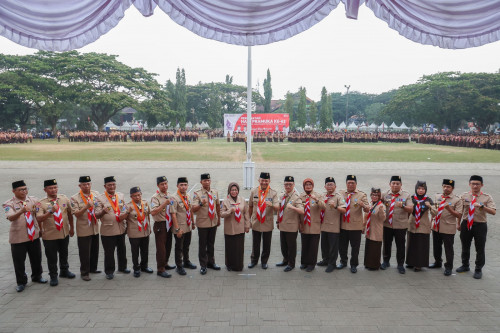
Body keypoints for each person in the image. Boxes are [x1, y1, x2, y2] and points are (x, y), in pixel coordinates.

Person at [3, 180, 47, 292]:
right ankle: (21, 282)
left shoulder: (33, 200)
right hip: (18, 237)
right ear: (14, 191)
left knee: (36, 257)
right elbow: (11, 217)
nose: (24, 191)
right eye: (21, 189)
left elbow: (38, 214)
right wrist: (21, 211)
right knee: (19, 261)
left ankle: (37, 276)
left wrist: (41, 229)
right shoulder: (9, 204)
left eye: (25, 189)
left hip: (33, 235)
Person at [36, 179, 75, 286]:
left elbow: (70, 214)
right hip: (50, 235)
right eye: (50, 188)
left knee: (64, 253)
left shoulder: (64, 198)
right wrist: (50, 211)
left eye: (55, 187)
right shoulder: (41, 203)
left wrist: (72, 228)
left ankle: (64, 271)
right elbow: (39, 219)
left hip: (64, 232)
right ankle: (53, 275)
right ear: (45, 189)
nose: (53, 190)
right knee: (52, 257)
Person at [457, 175, 496, 279]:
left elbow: (493, 212)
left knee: (480, 248)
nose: (475, 186)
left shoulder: (487, 197)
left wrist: (482, 206)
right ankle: (465, 265)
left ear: (481, 185)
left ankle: (478, 269)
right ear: (469, 184)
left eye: (477, 184)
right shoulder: (464, 196)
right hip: (466, 223)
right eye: (473, 184)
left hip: (480, 225)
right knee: (465, 246)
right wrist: (458, 223)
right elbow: (460, 211)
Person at [95, 176, 130, 280]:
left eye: (113, 184)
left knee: (122, 249)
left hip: (120, 227)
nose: (112, 187)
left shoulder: (121, 196)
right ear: (105, 186)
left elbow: (124, 209)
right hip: (108, 230)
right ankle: (109, 271)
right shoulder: (99, 199)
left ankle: (123, 267)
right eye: (109, 185)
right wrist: (102, 211)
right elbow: (96, 215)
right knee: (109, 252)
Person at [429, 179, 463, 276]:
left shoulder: (457, 200)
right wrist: (431, 221)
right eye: (444, 186)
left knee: (448, 248)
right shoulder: (437, 196)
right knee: (436, 246)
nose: (446, 188)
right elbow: (434, 210)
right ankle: (437, 262)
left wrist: (449, 209)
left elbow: (458, 215)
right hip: (436, 225)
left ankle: (448, 267)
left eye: (448, 187)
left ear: (453, 188)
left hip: (448, 227)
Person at [70, 176, 100, 281]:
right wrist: (86, 207)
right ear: (80, 185)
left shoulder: (96, 194)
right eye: (84, 184)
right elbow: (76, 214)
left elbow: (98, 207)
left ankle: (93, 268)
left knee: (95, 249)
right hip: (84, 228)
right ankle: (84, 272)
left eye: (88, 184)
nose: (87, 186)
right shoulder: (75, 198)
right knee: (84, 252)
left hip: (95, 226)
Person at [381, 176, 413, 274]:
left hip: (400, 225)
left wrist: (403, 206)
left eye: (397, 183)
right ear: (389, 184)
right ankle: (386, 261)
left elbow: (411, 209)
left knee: (400, 245)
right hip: (387, 224)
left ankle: (400, 264)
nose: (395, 185)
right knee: (386, 244)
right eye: (393, 183)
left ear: (401, 185)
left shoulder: (406, 195)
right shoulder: (384, 194)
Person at [338, 175, 369, 273]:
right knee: (342, 246)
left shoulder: (361, 195)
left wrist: (363, 205)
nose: (350, 185)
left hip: (355, 226)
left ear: (356, 184)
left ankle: (354, 264)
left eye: (353, 183)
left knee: (355, 247)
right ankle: (343, 262)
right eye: (349, 183)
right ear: (346, 184)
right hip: (343, 224)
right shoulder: (341, 193)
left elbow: (368, 209)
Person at [192, 173, 221, 275]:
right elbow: (193, 208)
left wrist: (218, 218)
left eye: (208, 180)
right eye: (205, 181)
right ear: (201, 182)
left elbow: (217, 205)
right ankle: (203, 265)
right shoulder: (197, 193)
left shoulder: (215, 192)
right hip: (203, 223)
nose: (207, 182)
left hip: (213, 222)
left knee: (211, 244)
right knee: (202, 245)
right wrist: (201, 204)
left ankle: (211, 262)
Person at [248, 172, 279, 269]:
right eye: (262, 180)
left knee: (266, 244)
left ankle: (264, 261)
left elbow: (277, 207)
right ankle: (254, 261)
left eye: (266, 181)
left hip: (267, 222)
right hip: (256, 221)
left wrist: (272, 205)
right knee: (255, 243)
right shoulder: (254, 191)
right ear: (259, 180)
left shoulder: (273, 193)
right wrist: (249, 220)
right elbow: (250, 206)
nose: (264, 182)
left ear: (269, 181)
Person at [317, 177, 346, 273]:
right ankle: (325, 260)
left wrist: (336, 206)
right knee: (324, 245)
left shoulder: (338, 196)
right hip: (324, 224)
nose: (329, 186)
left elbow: (344, 210)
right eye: (328, 184)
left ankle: (332, 264)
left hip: (333, 225)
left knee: (333, 246)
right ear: (325, 186)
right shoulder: (322, 196)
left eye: (331, 184)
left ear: (335, 186)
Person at [150, 176, 177, 278]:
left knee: (168, 246)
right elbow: (153, 212)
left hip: (169, 223)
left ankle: (165, 263)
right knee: (161, 248)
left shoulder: (169, 195)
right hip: (160, 224)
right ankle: (160, 269)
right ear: (158, 185)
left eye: (166, 183)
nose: (165, 186)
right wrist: (164, 204)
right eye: (162, 184)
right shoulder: (155, 197)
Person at [276, 176, 304, 272]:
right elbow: (279, 209)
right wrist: (277, 221)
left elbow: (302, 211)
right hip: (282, 224)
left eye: (290, 184)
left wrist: (293, 207)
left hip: (292, 226)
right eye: (286, 184)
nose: (288, 186)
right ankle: (285, 260)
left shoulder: (296, 197)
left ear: (294, 185)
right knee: (283, 245)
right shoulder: (282, 195)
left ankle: (291, 264)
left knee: (291, 246)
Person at [221, 182, 250, 271]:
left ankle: (238, 265)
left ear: (238, 191)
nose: (234, 192)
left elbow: (246, 213)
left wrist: (247, 225)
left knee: (239, 248)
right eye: (232, 190)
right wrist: (229, 211)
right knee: (230, 247)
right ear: (229, 191)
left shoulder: (242, 200)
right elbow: (221, 214)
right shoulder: (225, 201)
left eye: (236, 190)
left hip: (240, 227)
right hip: (230, 228)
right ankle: (229, 265)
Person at [406, 181, 434, 272]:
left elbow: (435, 212)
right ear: (416, 189)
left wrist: (430, 206)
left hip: (423, 225)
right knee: (411, 244)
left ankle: (419, 264)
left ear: (425, 190)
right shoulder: (411, 198)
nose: (420, 191)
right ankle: (410, 262)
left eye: (423, 189)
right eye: (419, 189)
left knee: (421, 245)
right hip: (412, 224)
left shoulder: (428, 200)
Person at [125, 187, 153, 277]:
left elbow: (148, 215)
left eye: (139, 195)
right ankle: (136, 268)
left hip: (145, 230)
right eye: (135, 196)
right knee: (135, 252)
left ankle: (144, 266)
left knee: (145, 250)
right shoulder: (128, 206)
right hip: (134, 232)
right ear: (131, 196)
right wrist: (127, 213)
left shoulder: (144, 203)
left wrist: (149, 226)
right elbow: (122, 218)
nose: (137, 197)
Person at [171, 177, 196, 275]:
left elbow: (191, 210)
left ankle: (186, 261)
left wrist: (193, 223)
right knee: (179, 247)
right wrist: (177, 229)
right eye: (181, 185)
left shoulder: (188, 196)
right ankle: (179, 266)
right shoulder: (174, 198)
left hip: (188, 226)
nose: (183, 187)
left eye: (185, 185)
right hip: (180, 227)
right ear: (177, 186)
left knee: (186, 246)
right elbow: (173, 214)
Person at [299, 178, 325, 272]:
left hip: (315, 225)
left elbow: (324, 207)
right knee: (304, 244)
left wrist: (317, 200)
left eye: (310, 185)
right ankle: (304, 262)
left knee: (313, 246)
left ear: (313, 186)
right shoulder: (301, 196)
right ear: (304, 186)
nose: (308, 186)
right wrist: (299, 224)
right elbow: (298, 212)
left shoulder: (318, 195)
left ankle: (311, 264)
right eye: (306, 185)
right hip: (304, 224)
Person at [363, 188, 386, 270]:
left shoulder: (381, 205)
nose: (374, 196)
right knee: (369, 247)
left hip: (376, 230)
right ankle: (368, 263)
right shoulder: (371, 203)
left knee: (375, 248)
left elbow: (383, 218)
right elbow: (366, 215)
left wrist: (381, 211)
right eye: (373, 195)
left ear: (379, 196)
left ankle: (375, 265)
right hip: (370, 229)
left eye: (376, 195)